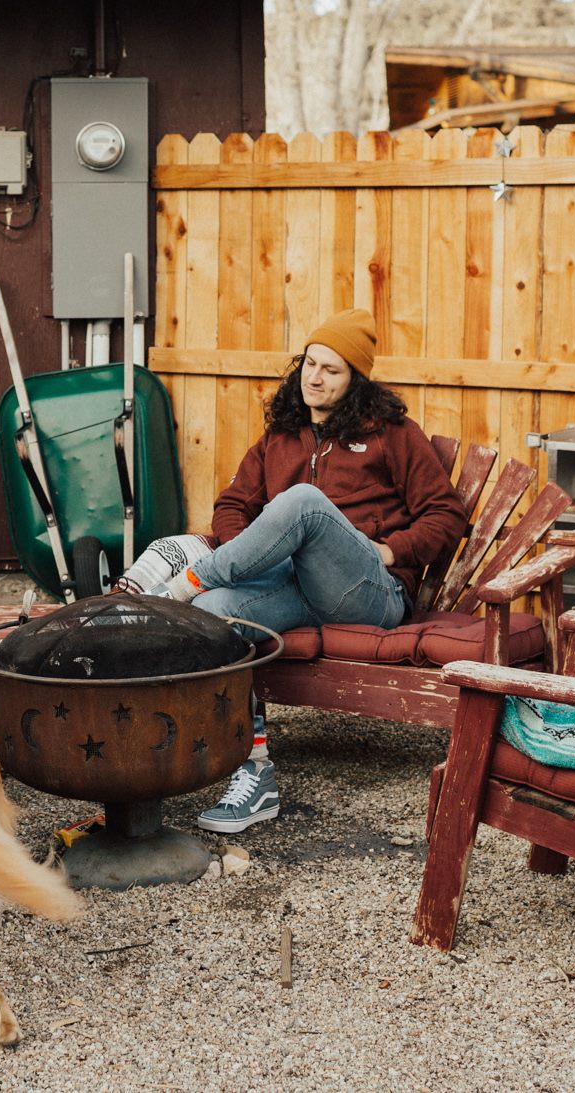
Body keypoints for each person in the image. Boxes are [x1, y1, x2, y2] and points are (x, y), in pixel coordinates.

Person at [140, 309, 468, 833]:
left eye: (331, 370)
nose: (314, 378)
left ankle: (183, 581)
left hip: (367, 594)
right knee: (213, 613)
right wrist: (246, 549)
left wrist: (389, 551)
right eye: (309, 364)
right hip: (293, 588)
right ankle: (254, 772)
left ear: (355, 380)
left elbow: (447, 515)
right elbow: (231, 505)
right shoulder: (281, 437)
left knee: (303, 503)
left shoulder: (393, 435)